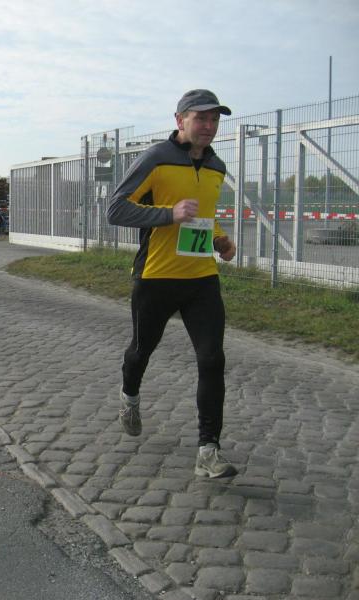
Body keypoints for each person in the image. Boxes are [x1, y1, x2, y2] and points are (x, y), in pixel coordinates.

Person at [106, 89, 238, 478]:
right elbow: (116, 209)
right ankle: (130, 396)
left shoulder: (216, 166)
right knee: (141, 351)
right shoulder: (156, 158)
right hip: (156, 277)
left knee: (212, 360)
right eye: (201, 118)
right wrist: (168, 214)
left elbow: (204, 216)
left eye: (215, 119)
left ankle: (208, 451)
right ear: (180, 120)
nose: (209, 126)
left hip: (201, 279)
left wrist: (220, 239)